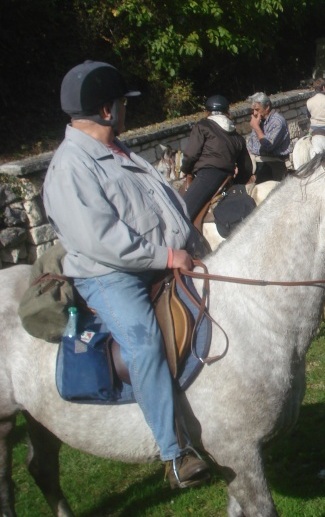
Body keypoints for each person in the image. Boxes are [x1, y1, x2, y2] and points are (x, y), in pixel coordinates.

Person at [42, 60, 211, 489]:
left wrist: (193, 245)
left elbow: (166, 205)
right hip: (111, 275)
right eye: (121, 103)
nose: (124, 110)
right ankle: (175, 454)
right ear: (105, 110)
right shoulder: (71, 168)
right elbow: (103, 241)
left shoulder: (120, 151)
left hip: (162, 258)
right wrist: (168, 255)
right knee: (145, 340)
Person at [180, 95, 252, 222]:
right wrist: (235, 184)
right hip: (227, 182)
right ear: (227, 112)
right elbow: (246, 168)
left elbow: (191, 155)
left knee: (181, 216)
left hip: (207, 177)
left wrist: (186, 170)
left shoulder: (203, 126)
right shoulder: (237, 137)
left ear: (207, 112)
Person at [247, 92, 290, 183]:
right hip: (258, 163)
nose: (254, 113)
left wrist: (256, 127)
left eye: (257, 110)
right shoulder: (260, 121)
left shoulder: (277, 122)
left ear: (267, 107)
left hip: (273, 165)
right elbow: (251, 144)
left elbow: (267, 146)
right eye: (253, 110)